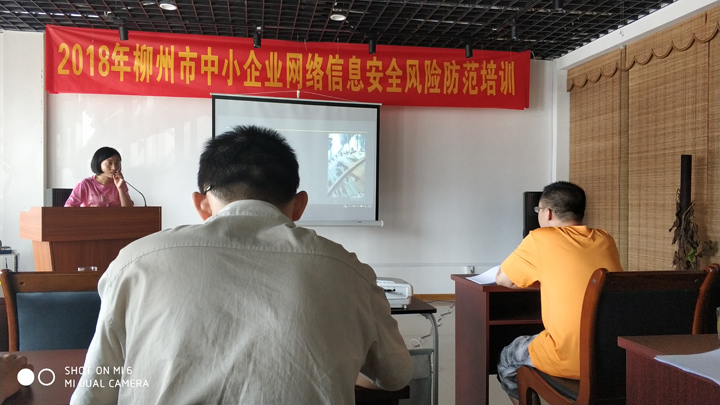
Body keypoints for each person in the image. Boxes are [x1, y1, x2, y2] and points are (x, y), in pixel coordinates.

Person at [70, 125, 413, 405]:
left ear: (201, 204)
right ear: (299, 205)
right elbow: (396, 375)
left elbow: (92, 394)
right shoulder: (348, 271)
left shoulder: (135, 263)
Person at [495, 181, 622, 405]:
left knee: (507, 357)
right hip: (611, 357)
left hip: (568, 359)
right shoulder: (605, 239)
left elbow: (503, 280)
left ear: (548, 213)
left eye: (538, 210)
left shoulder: (540, 238)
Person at [64, 147, 134, 207]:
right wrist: (88, 211)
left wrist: (120, 188)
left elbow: (129, 211)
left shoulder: (120, 183)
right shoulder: (84, 184)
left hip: (114, 219)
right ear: (99, 163)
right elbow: (69, 207)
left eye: (117, 163)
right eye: (109, 163)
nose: (114, 167)